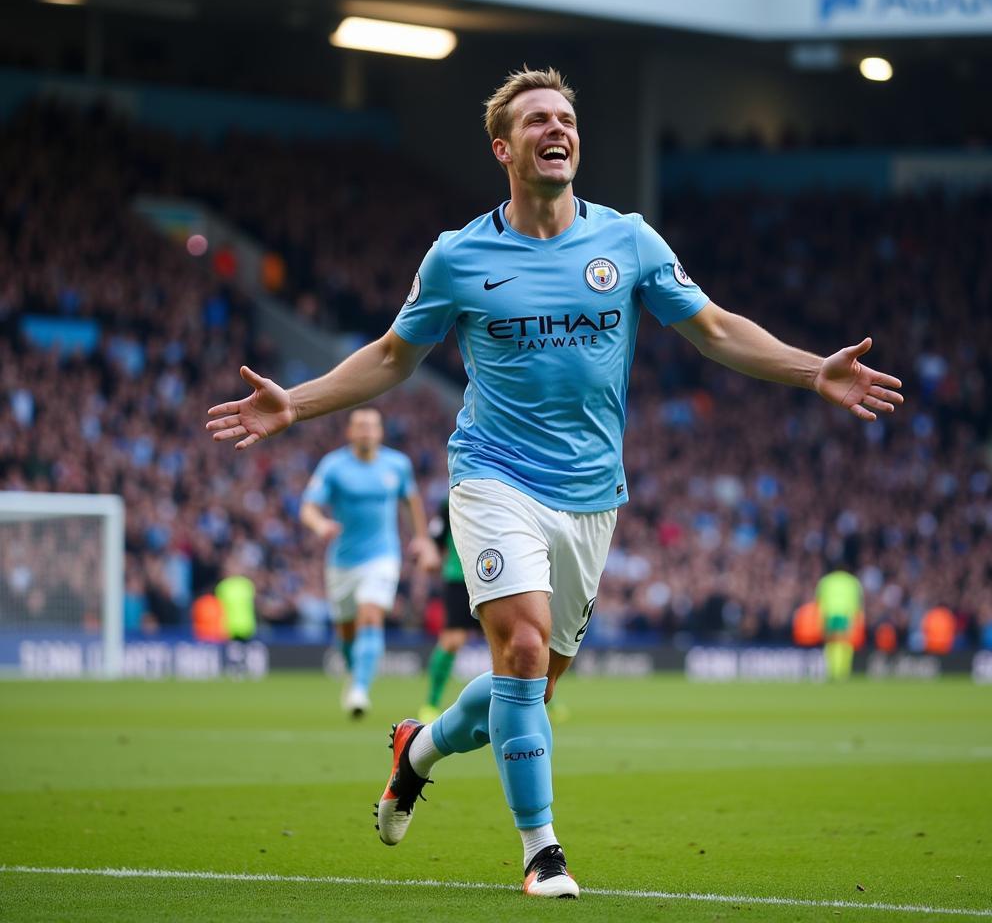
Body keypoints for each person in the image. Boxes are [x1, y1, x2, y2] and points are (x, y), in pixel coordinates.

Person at [207, 66, 903, 898]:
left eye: (566, 118)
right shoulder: (459, 256)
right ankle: (542, 853)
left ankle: (418, 749)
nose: (557, 129)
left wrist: (807, 370)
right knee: (524, 648)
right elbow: (395, 356)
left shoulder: (629, 242)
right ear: (504, 147)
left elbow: (714, 329)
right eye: (537, 119)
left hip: (593, 496)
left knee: (525, 683)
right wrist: (300, 405)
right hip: (493, 477)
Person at [300, 406, 438, 717]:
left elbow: (411, 500)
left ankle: (360, 690)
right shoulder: (334, 466)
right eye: (359, 425)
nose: (365, 431)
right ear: (349, 432)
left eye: (371, 425)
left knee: (371, 615)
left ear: (380, 432)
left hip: (383, 556)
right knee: (347, 631)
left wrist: (422, 538)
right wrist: (320, 525)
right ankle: (355, 673)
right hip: (342, 561)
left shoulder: (397, 465)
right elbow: (308, 507)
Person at [419, 497, 479, 724]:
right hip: (459, 578)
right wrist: (430, 552)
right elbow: (435, 538)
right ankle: (431, 703)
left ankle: (543, 701)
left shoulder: (505, 489)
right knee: (452, 640)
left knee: (514, 640)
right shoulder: (449, 503)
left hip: (497, 574)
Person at [815, 566, 863, 681]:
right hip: (845, 615)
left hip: (830, 614)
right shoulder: (852, 581)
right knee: (845, 643)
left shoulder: (826, 580)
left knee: (831, 643)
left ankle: (833, 671)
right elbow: (857, 600)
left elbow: (819, 599)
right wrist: (857, 615)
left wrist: (821, 616)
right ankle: (843, 672)